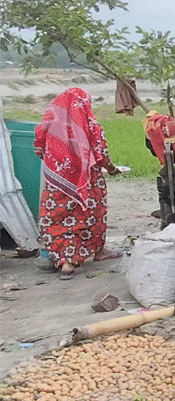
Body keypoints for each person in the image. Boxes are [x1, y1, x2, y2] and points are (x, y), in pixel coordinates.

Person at [34, 88, 122, 279]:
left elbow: (39, 149)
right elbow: (102, 157)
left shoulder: (48, 124)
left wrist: (59, 164)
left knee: (57, 219)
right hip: (87, 182)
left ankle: (65, 262)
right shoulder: (92, 126)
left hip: (56, 182)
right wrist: (113, 169)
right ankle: (99, 252)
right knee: (90, 216)